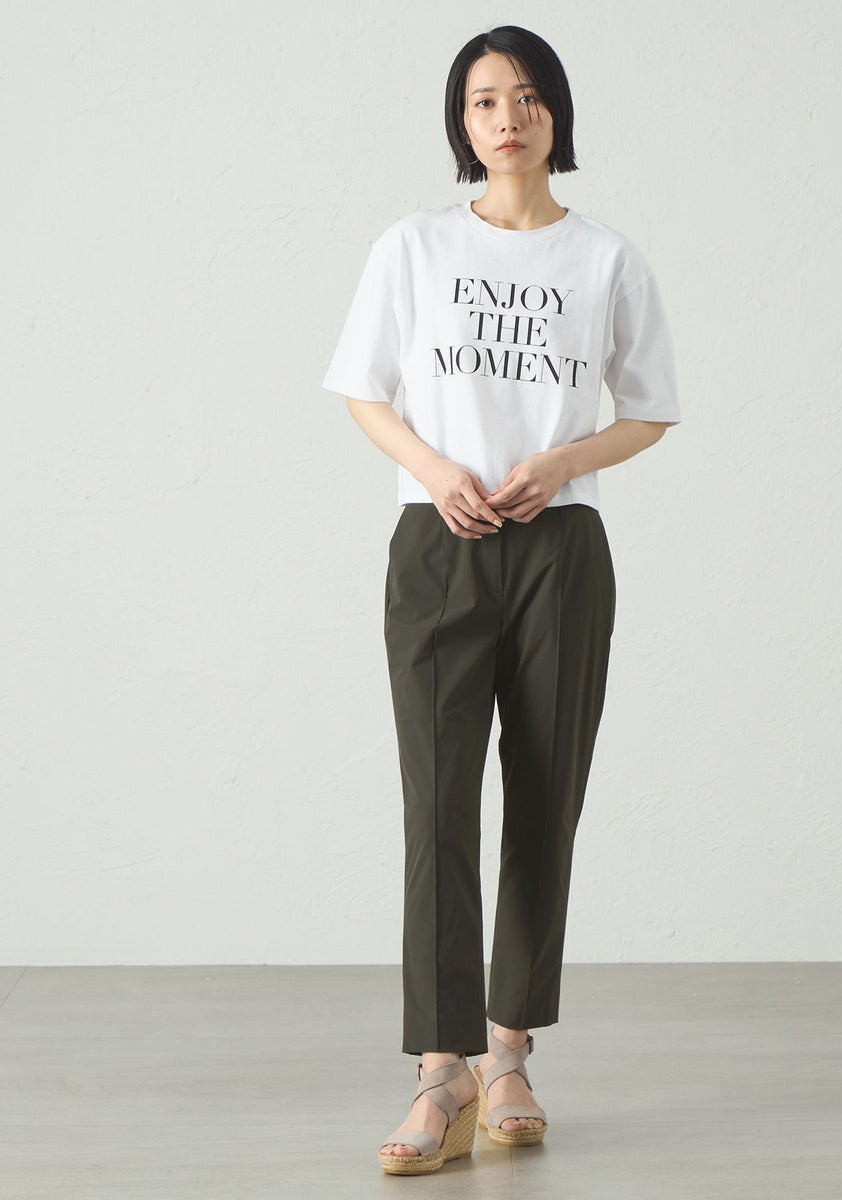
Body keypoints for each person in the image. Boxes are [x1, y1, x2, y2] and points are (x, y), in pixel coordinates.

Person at [321, 24, 681, 1176]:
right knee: (437, 805)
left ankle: (511, 1054)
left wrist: (563, 462)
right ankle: (443, 1071)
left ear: (555, 114)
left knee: (543, 797)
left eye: (526, 97)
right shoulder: (413, 247)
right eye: (484, 100)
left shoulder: (606, 260)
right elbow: (362, 390)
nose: (507, 118)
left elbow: (648, 410)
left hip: (559, 550)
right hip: (438, 546)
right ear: (461, 122)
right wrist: (435, 472)